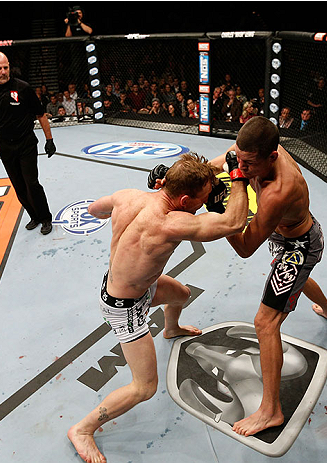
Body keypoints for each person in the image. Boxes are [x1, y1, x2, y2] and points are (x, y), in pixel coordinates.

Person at [68, 152, 249, 463]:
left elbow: (94, 210)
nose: (207, 202)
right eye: (203, 199)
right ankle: (82, 429)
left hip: (135, 283)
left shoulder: (130, 197)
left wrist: (228, 160)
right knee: (144, 387)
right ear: (183, 199)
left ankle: (171, 328)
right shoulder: (171, 223)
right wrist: (238, 177)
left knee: (181, 293)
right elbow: (234, 222)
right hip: (124, 306)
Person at [206, 117, 327, 437]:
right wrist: (174, 175)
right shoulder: (255, 150)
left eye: (249, 163)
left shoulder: (278, 191)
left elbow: (244, 247)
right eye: (240, 159)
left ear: (271, 157)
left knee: (265, 323)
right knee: (295, 282)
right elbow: (223, 161)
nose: (241, 166)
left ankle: (271, 410)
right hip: (285, 237)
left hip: (300, 246)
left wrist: (219, 208)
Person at [0, 50, 56, 235]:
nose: (3, 71)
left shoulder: (23, 88)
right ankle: (34, 216)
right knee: (18, 185)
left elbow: (40, 114)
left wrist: (49, 139)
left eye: (6, 67)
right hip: (5, 145)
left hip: (26, 142)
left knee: (31, 182)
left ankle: (45, 218)